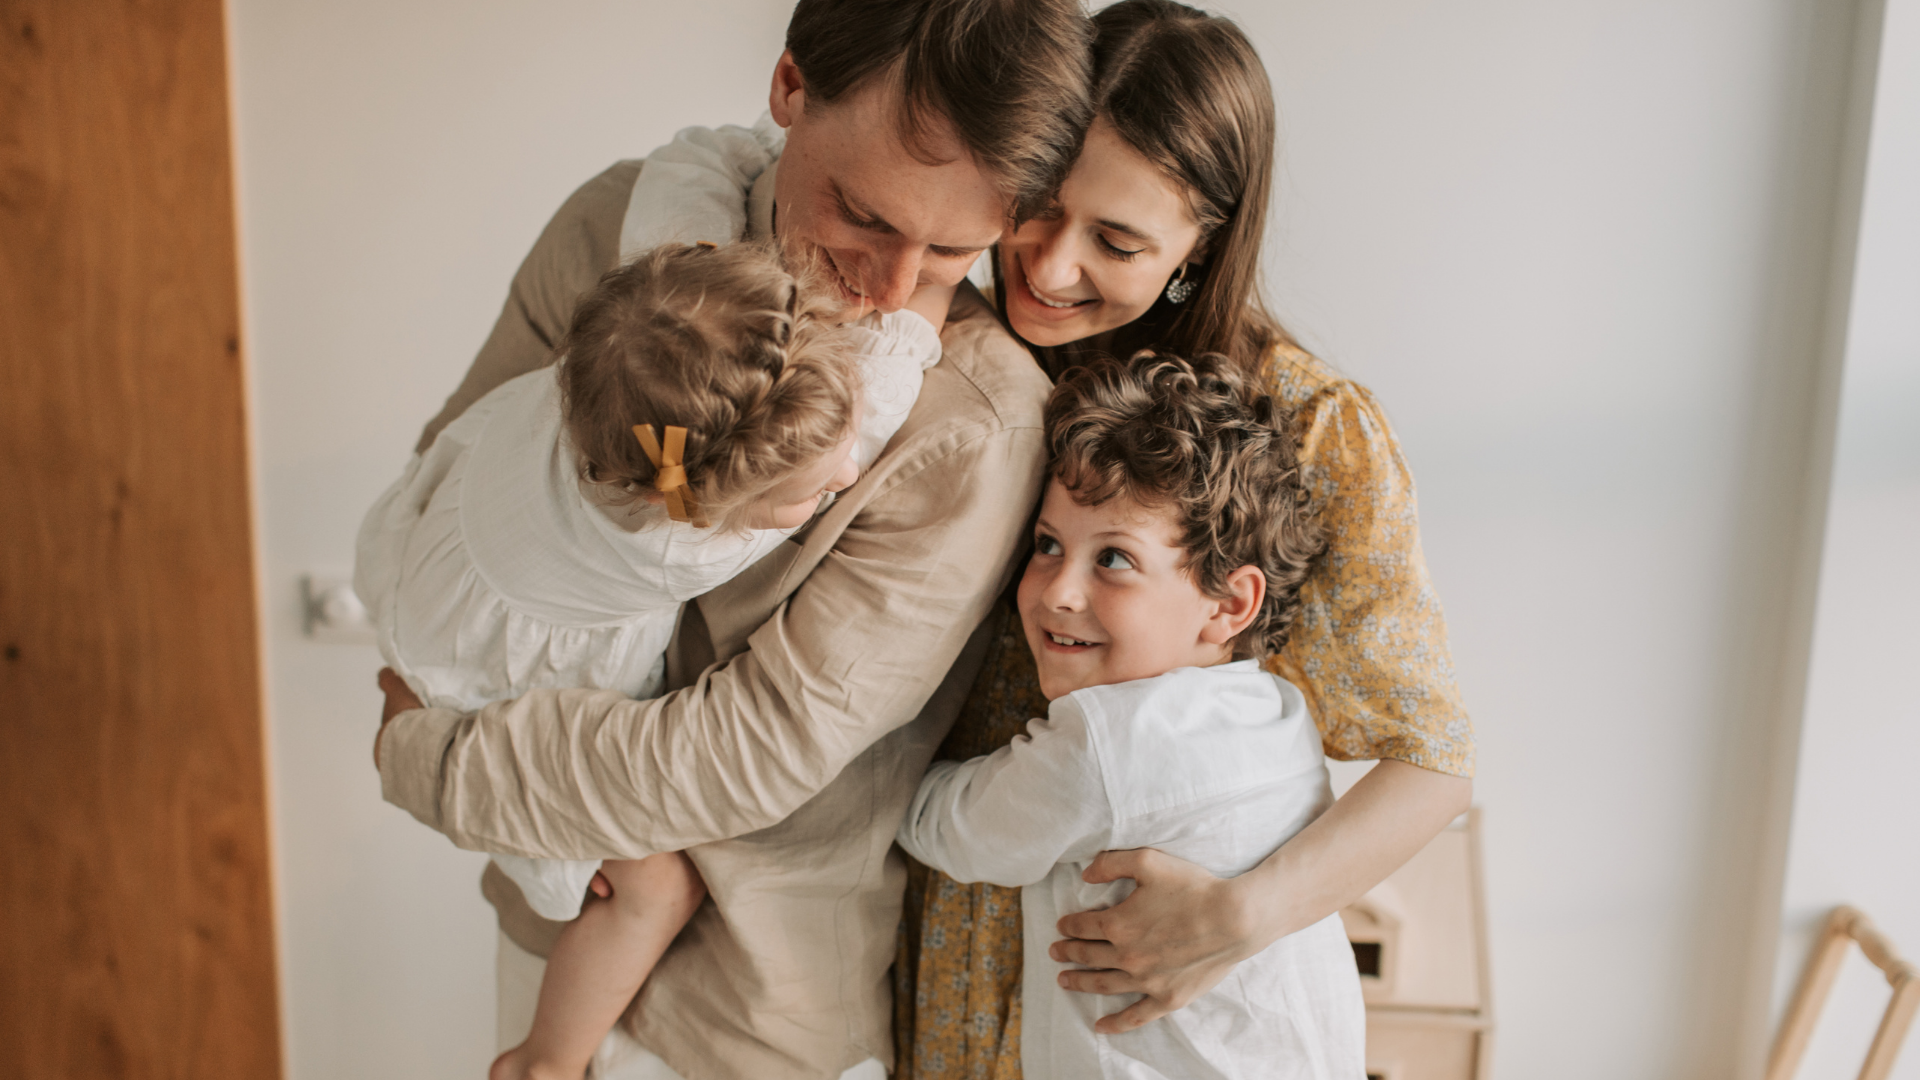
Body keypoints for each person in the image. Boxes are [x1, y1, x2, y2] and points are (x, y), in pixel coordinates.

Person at [371, 0, 1093, 1077]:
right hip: (546, 923)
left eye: (953, 251)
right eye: (864, 216)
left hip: (749, 1017)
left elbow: (754, 748)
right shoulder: (611, 227)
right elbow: (462, 479)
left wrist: (432, 758)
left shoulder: (975, 426)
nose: (891, 290)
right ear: (790, 87)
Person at [897, 2, 1475, 1074]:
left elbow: (1431, 767)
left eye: (1116, 241)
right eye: (1038, 206)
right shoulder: (944, 353)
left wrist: (1238, 918)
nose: (1050, 267)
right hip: (942, 955)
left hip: (1137, 990)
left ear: (1199, 246)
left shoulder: (1307, 428)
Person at [355, 239, 950, 1080]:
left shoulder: (621, 358)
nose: (849, 470)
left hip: (431, 582)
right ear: (704, 504)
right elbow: (886, 395)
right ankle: (544, 1061)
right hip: (487, 676)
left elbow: (685, 181)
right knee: (655, 887)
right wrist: (940, 286)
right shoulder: (675, 541)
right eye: (815, 492)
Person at [898, 352, 1365, 1079]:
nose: (1058, 591)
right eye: (1048, 545)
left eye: (1113, 559)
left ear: (1229, 604)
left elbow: (953, 830)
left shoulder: (1112, 742)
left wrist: (880, 763)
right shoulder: (1276, 712)